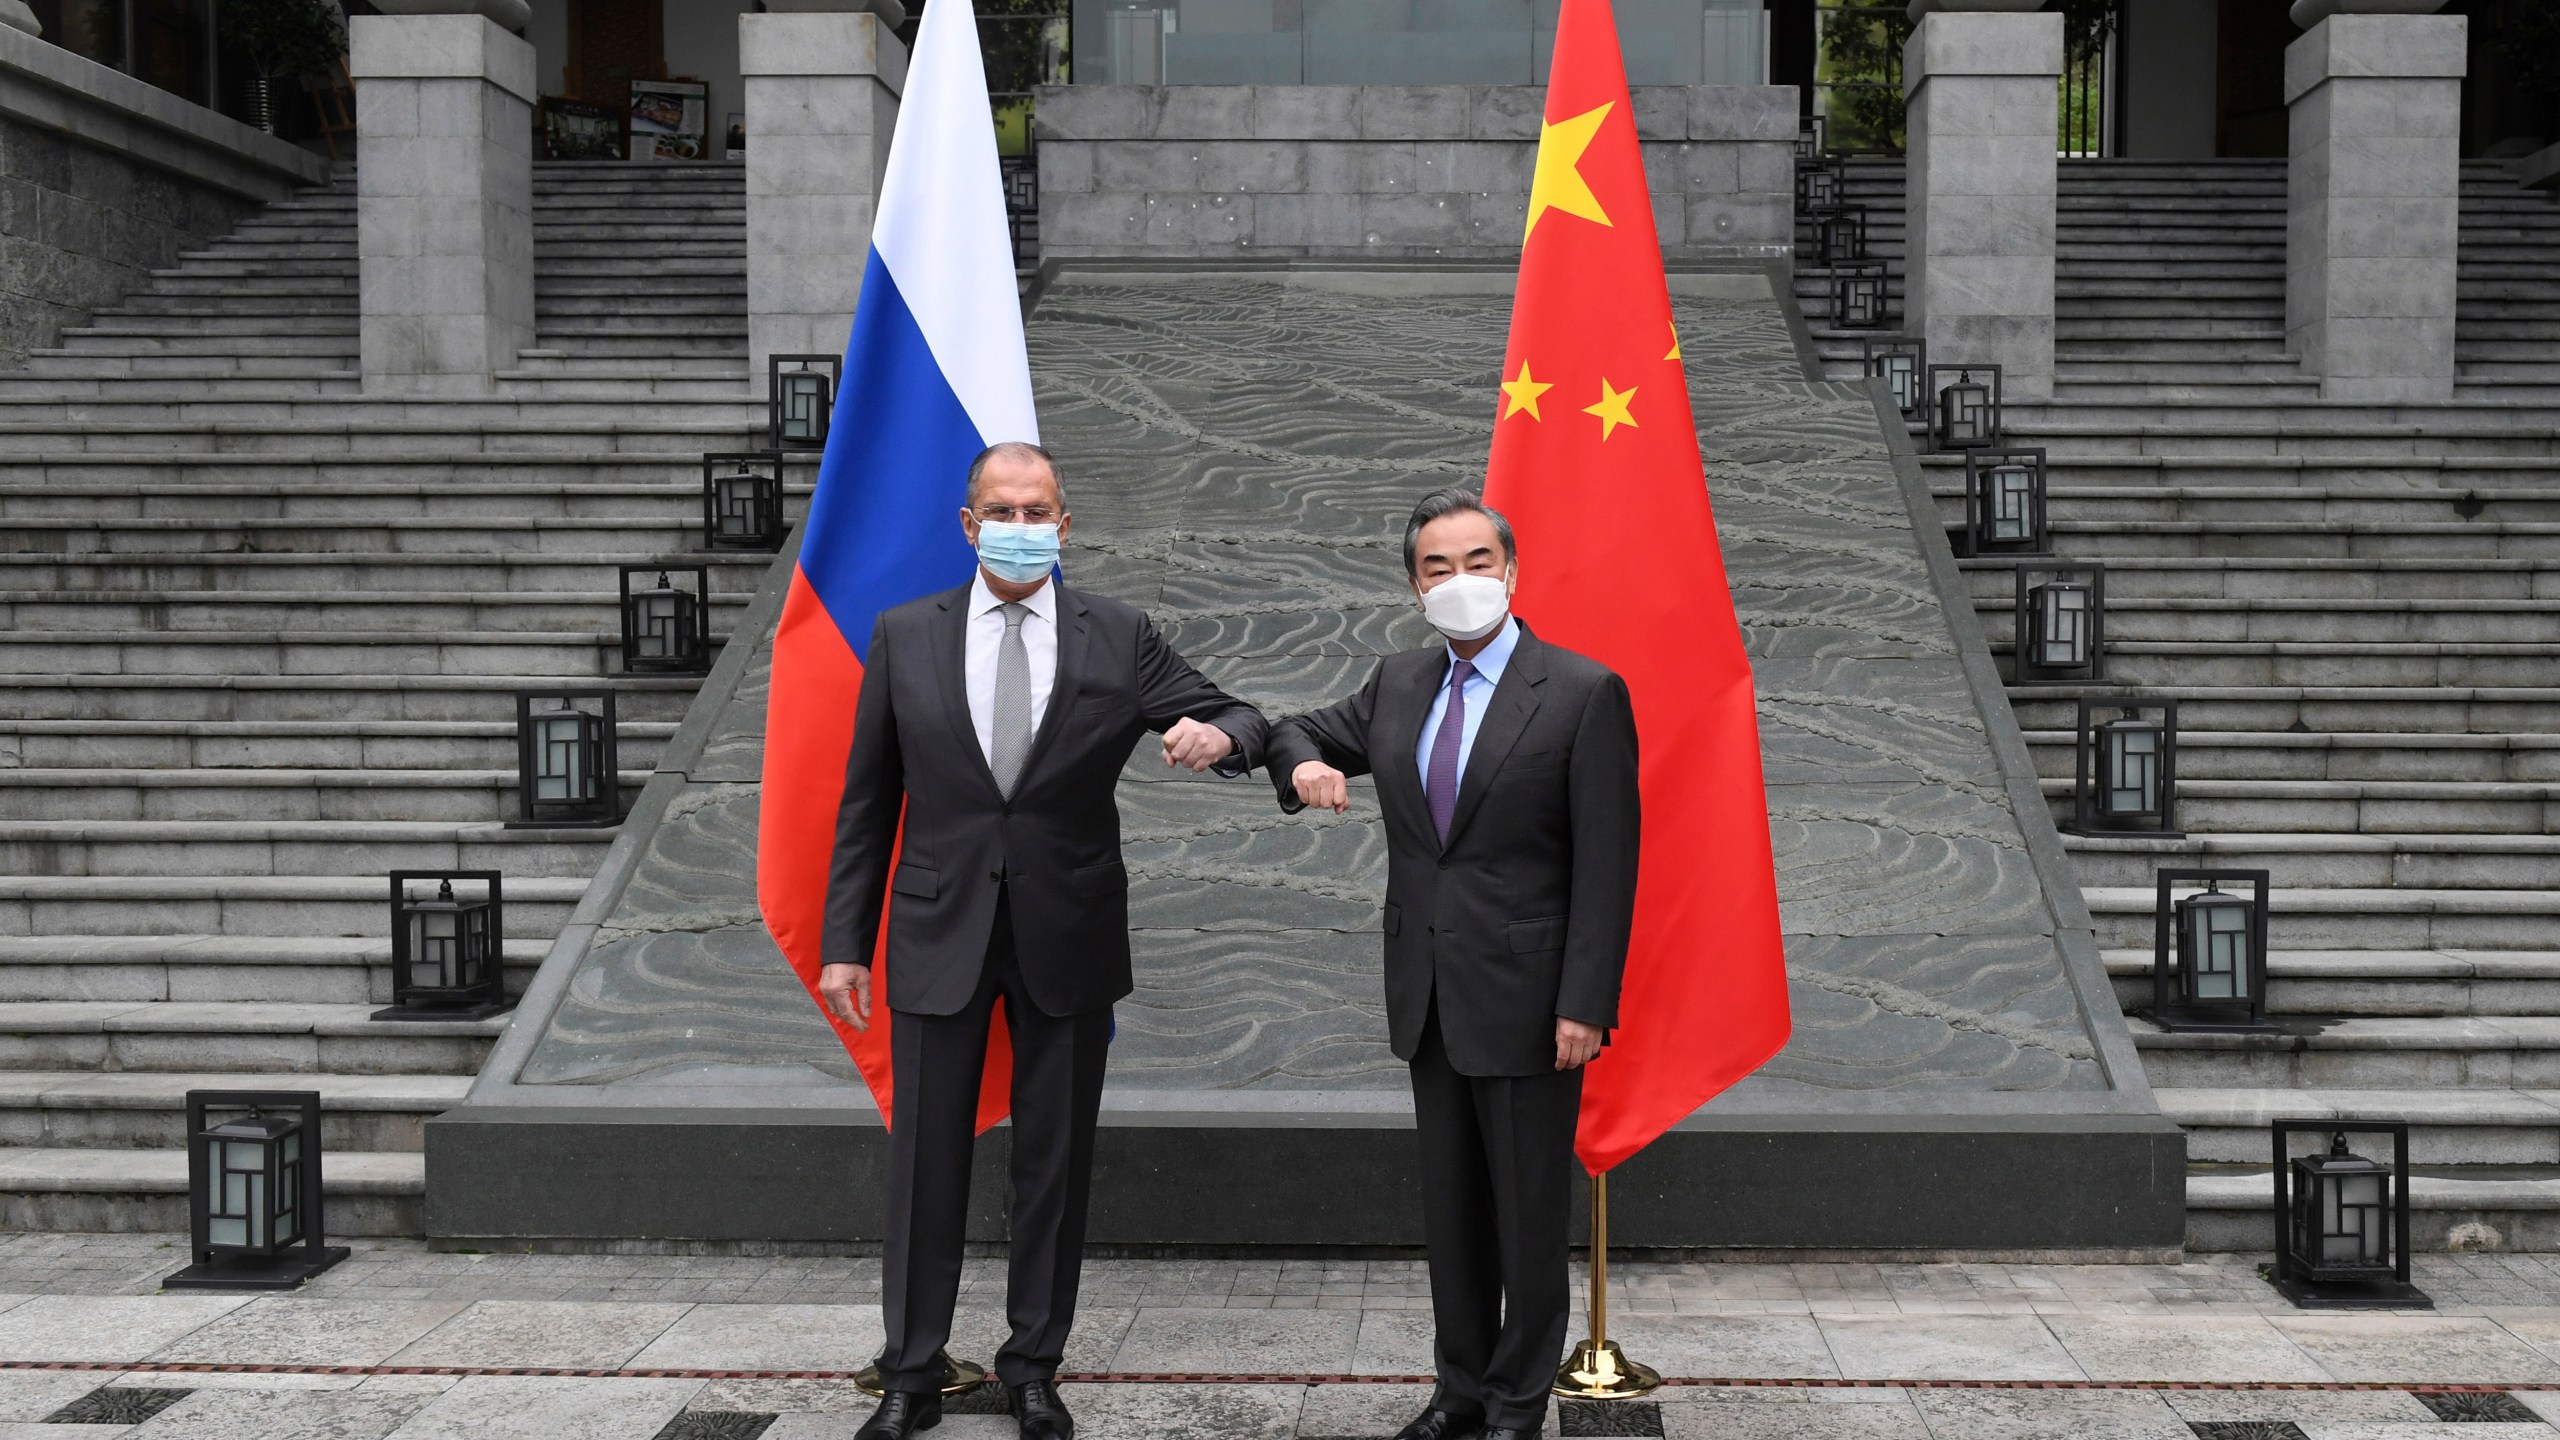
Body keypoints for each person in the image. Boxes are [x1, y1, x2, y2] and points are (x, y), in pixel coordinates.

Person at [818, 441, 1270, 1440]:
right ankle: (910, 1374)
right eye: (1000, 511)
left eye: (1036, 512)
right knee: (925, 1163)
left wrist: (1223, 736)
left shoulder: (1120, 635)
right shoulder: (905, 634)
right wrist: (845, 940)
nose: (1018, 527)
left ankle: (1032, 1368)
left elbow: (1237, 714)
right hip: (936, 928)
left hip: (1068, 934)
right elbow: (867, 799)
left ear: (1064, 526)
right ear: (968, 523)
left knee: (1052, 1165)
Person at [1270, 488, 1639, 1440]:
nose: (1460, 579)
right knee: (1455, 1215)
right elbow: (1299, 728)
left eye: (1479, 561)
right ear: (1414, 586)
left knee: (1525, 1217)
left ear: (1511, 572)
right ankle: (1460, 1392)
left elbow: (1607, 863)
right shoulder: (1399, 682)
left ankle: (1517, 1403)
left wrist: (1586, 1001)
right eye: (1438, 567)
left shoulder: (1582, 691)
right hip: (1429, 995)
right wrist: (1303, 765)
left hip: (1533, 1001)